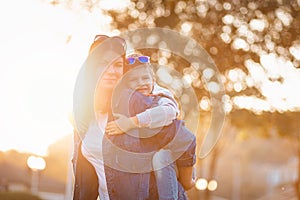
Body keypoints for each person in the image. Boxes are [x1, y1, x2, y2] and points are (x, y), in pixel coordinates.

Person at [102, 53, 196, 200]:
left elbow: (170, 112)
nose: (141, 83)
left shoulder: (160, 95)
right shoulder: (131, 100)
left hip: (176, 153)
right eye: (134, 80)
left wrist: (131, 122)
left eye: (145, 78)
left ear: (153, 79)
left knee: (160, 158)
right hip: (160, 156)